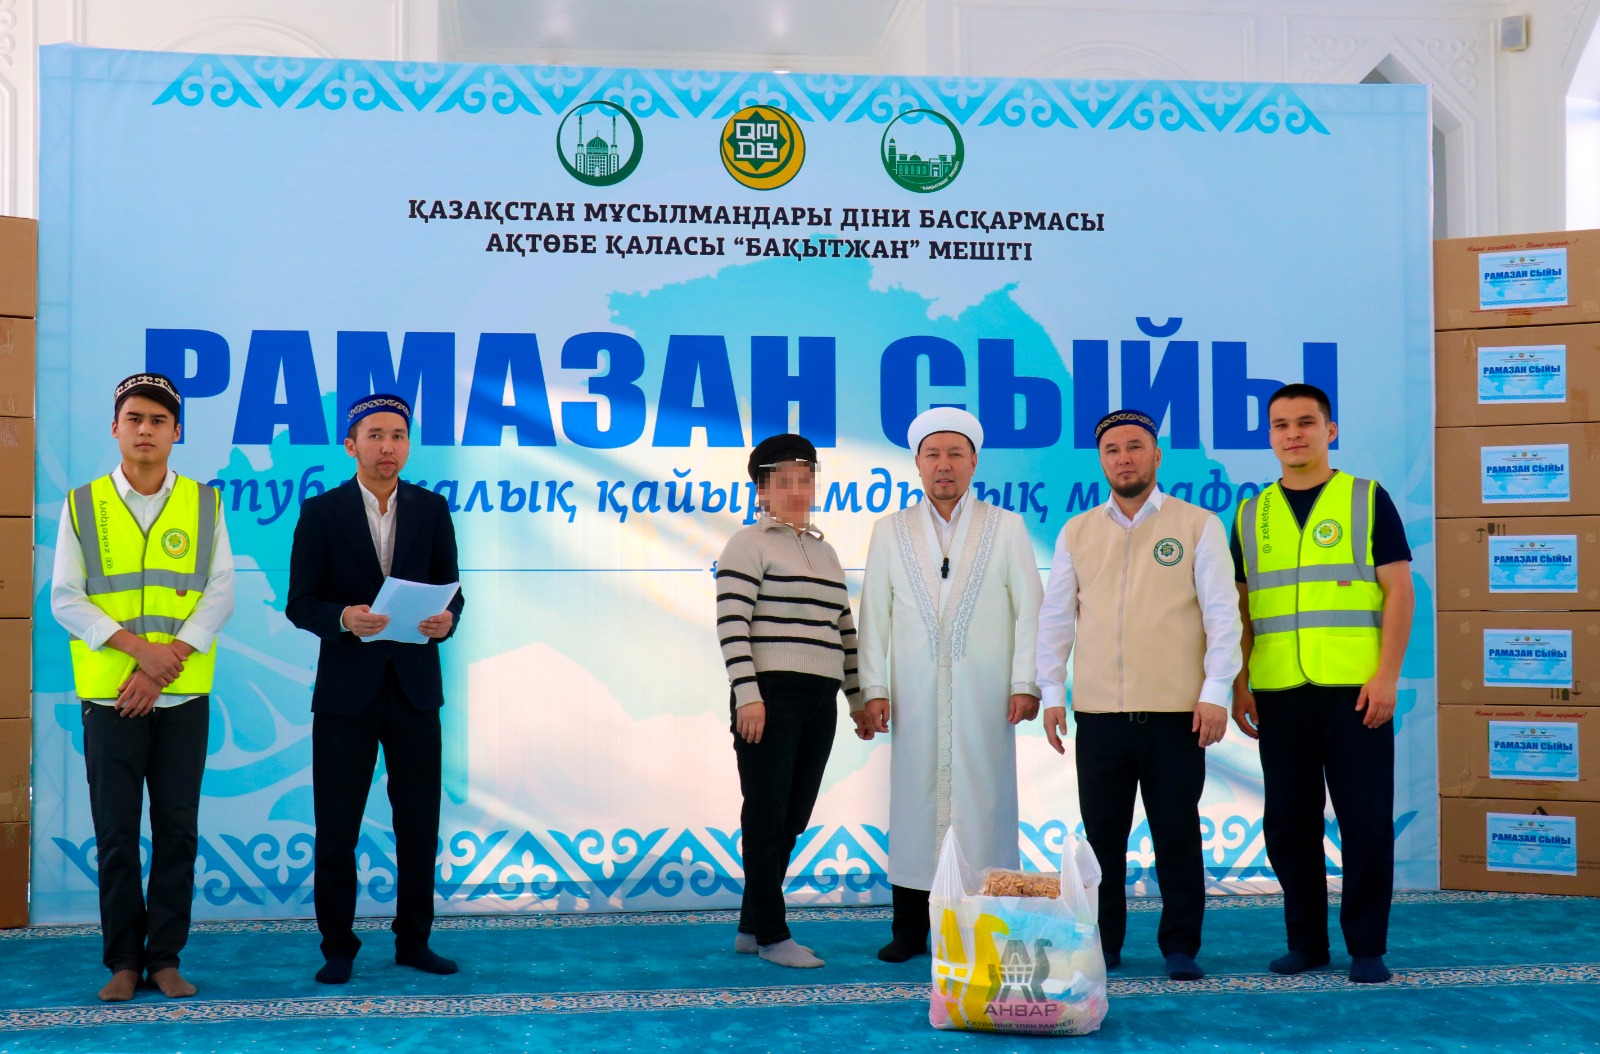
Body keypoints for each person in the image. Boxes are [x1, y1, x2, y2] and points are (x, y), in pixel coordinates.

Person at [1037, 409, 1241, 981]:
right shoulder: (1077, 531)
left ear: (1156, 456)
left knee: (1176, 834)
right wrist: (1052, 691)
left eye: (1134, 447)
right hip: (1099, 716)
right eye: (1112, 450)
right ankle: (1103, 945)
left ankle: (1180, 947)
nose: (1123, 458)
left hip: (1177, 715)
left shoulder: (1198, 524)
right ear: (1101, 462)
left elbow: (1223, 616)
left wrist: (1216, 692)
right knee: (1102, 840)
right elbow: (1056, 619)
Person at [50, 372, 235, 1002]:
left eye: (159, 420)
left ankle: (166, 959)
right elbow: (65, 598)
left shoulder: (204, 504)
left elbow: (221, 593)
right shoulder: (83, 504)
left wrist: (167, 662)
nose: (146, 430)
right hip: (111, 699)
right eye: (134, 418)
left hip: (182, 697)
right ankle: (124, 961)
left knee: (178, 830)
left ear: (177, 432)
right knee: (116, 833)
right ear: (115, 428)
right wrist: (139, 653)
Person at [1230, 383, 1414, 985]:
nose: (1293, 434)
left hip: (1357, 692)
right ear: (1269, 436)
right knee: (1289, 825)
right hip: (1279, 692)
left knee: (1365, 821)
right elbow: (1241, 608)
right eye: (1281, 425)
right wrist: (1240, 682)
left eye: (1306, 422)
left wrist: (1386, 677)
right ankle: (1306, 943)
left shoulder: (1366, 498)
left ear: (1329, 431)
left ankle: (1367, 947)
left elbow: (1399, 592)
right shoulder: (1250, 513)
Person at [286, 393, 465, 985]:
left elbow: (453, 591)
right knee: (338, 826)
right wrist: (343, 618)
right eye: (375, 436)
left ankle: (414, 940)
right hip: (346, 694)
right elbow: (300, 603)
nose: (388, 446)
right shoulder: (321, 512)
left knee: (419, 824)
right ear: (351, 445)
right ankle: (338, 947)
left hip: (415, 690)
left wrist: (446, 620)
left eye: (398, 436)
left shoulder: (431, 509)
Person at [857, 407, 1043, 963]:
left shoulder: (1005, 526)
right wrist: (873, 689)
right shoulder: (890, 530)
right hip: (913, 695)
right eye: (933, 454)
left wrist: (1026, 682)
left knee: (985, 804)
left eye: (955, 454)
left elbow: (1031, 610)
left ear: (974, 463)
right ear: (917, 463)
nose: (944, 465)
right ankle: (910, 930)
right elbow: (873, 615)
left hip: (986, 696)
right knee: (914, 805)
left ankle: (983, 927)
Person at [716, 434, 864, 968]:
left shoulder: (826, 552)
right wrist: (747, 695)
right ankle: (774, 937)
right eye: (783, 481)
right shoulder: (747, 544)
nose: (797, 490)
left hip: (821, 699)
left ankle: (751, 926)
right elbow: (732, 624)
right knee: (766, 814)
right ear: (762, 490)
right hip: (770, 696)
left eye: (806, 479)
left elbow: (844, 630)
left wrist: (857, 698)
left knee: (794, 816)